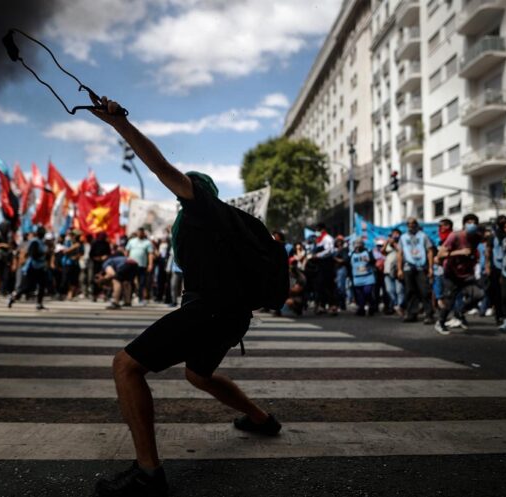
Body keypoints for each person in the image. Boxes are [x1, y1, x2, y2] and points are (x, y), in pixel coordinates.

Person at [88, 96, 280, 497]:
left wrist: (120, 124)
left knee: (126, 367)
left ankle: (148, 474)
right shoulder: (233, 222)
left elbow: (160, 167)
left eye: (185, 191)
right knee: (199, 374)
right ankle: (261, 420)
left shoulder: (203, 210)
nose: (180, 197)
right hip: (233, 314)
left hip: (210, 309)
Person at [434, 214, 485, 335]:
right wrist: (459, 252)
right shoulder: (454, 236)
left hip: (467, 274)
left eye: (474, 222)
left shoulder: (477, 237)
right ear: (464, 224)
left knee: (478, 294)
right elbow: (440, 255)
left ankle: (459, 312)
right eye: (469, 222)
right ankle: (440, 322)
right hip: (451, 273)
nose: (471, 225)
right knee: (449, 301)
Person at [397, 218, 434, 324]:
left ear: (417, 225)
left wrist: (430, 267)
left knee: (425, 291)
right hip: (408, 267)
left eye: (413, 223)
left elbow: (430, 251)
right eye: (408, 223)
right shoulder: (403, 237)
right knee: (410, 291)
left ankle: (429, 314)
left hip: (421, 267)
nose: (411, 225)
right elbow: (400, 253)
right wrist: (399, 269)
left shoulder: (423, 236)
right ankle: (411, 314)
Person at [8, 226, 49, 310]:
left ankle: (39, 303)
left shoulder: (42, 242)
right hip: (32, 267)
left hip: (41, 267)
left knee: (42, 285)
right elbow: (32, 254)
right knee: (27, 287)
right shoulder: (35, 242)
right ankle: (14, 297)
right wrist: (42, 254)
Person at [312, 222, 338, 315]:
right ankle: (322, 306)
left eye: (318, 229)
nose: (316, 231)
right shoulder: (318, 240)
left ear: (323, 229)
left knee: (329, 285)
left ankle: (333, 305)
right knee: (320, 286)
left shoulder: (328, 238)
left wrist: (318, 255)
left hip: (327, 264)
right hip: (320, 265)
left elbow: (329, 251)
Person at [126, 227, 154, 305]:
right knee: (131, 282)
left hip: (142, 265)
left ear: (143, 233)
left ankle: (141, 299)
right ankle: (129, 299)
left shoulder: (147, 242)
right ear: (137, 233)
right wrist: (125, 261)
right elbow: (127, 252)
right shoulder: (131, 241)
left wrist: (150, 264)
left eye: (141, 232)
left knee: (142, 283)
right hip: (131, 265)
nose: (140, 234)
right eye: (139, 232)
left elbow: (150, 254)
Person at [350, 238, 377, 316]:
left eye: (359, 244)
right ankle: (361, 309)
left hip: (368, 277)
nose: (357, 246)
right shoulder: (352, 254)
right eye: (356, 244)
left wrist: (369, 260)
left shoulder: (367, 252)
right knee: (359, 295)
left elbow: (373, 261)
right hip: (357, 277)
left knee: (367, 292)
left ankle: (371, 305)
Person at [382, 229, 404, 316]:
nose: (393, 236)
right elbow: (383, 252)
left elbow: (400, 251)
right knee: (389, 290)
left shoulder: (401, 243)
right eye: (391, 235)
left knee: (399, 290)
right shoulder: (388, 244)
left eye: (395, 235)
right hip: (387, 270)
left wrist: (394, 243)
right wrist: (387, 242)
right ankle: (395, 304)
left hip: (397, 270)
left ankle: (400, 305)